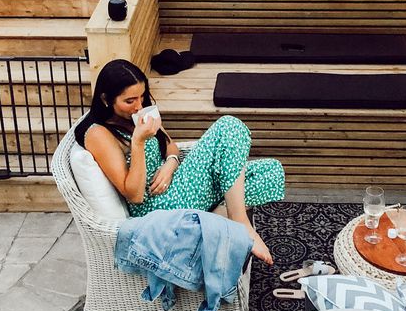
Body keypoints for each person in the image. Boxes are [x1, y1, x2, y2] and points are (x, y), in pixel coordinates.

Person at [75, 59, 285, 264]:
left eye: (142, 96)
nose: (138, 106)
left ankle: (213, 218)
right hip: (158, 208)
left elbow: (170, 146)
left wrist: (170, 164)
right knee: (229, 126)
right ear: (105, 99)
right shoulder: (98, 134)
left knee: (271, 171)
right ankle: (240, 221)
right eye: (129, 101)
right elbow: (134, 195)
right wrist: (138, 142)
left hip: (177, 183)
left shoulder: (140, 111)